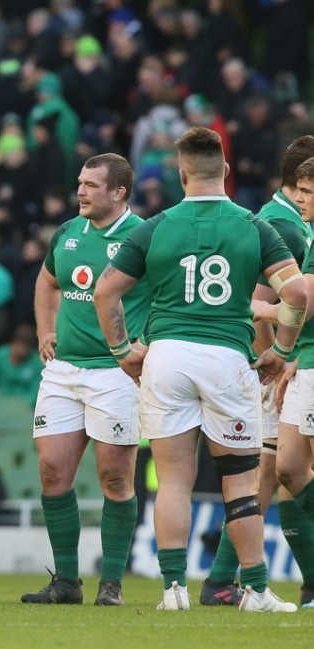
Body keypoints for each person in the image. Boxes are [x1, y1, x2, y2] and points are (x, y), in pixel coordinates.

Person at [94, 126, 305, 612]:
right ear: (226, 171)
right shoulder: (254, 226)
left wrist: (122, 350)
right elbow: (295, 294)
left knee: (172, 480)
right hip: (226, 358)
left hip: (166, 356)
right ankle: (254, 590)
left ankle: (173, 592)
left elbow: (106, 292)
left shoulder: (155, 226)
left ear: (181, 173)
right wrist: (283, 349)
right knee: (239, 480)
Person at [22, 153, 149, 607]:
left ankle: (111, 584)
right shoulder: (68, 233)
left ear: (119, 192)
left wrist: (147, 343)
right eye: (80, 182)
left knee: (116, 477)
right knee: (52, 470)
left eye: (92, 185)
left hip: (116, 373)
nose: (81, 191)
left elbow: (169, 293)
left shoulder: (142, 236)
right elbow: (47, 282)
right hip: (63, 371)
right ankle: (67, 583)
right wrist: (45, 330)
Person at [203, 135, 314, 606]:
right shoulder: (281, 228)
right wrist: (276, 358)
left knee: (277, 471)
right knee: (270, 471)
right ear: (300, 183)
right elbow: (255, 304)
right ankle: (227, 578)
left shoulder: (294, 223)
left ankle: (228, 579)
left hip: (285, 362)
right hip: (273, 365)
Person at [271, 156, 314, 609]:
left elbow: (306, 304)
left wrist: (257, 311)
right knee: (288, 468)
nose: (299, 199)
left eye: (306, 192)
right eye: (298, 190)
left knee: (290, 468)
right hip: (307, 362)